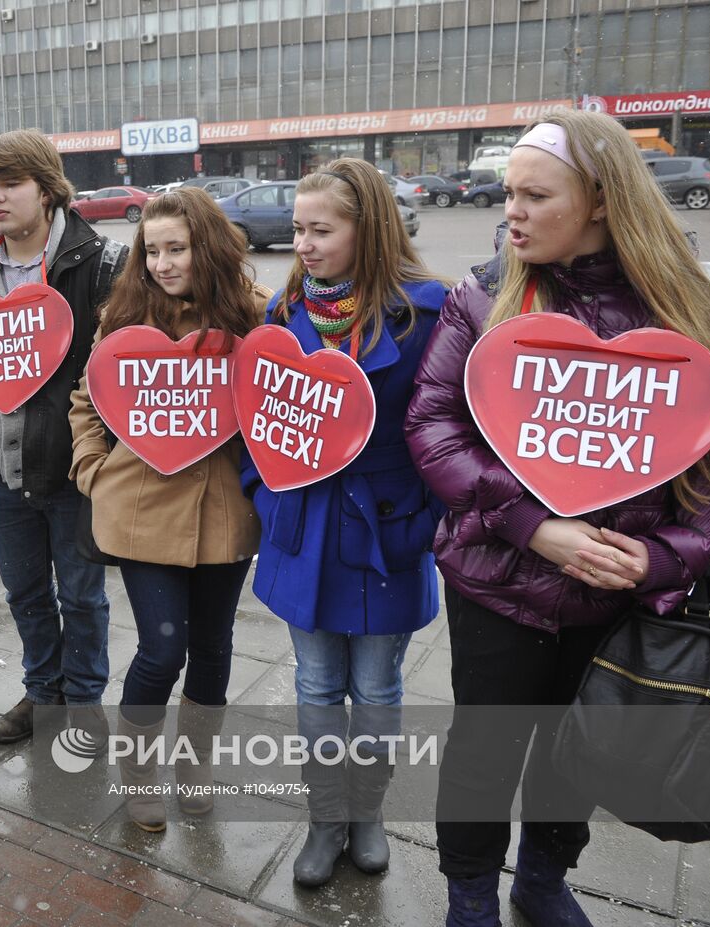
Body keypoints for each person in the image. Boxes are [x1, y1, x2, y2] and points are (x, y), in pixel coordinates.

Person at [405, 110, 710, 927]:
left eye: (534, 194)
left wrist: (662, 561)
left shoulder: (686, 315)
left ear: (598, 199)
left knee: (573, 753)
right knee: (483, 753)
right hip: (494, 587)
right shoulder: (482, 298)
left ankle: (544, 879)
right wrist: (531, 525)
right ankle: (471, 894)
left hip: (614, 602)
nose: (509, 209)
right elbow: (431, 427)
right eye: (507, 192)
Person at [241, 158, 449, 885]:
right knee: (318, 683)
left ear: (369, 230)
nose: (303, 243)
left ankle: (369, 816)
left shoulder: (426, 313)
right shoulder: (280, 315)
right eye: (298, 228)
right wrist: (265, 499)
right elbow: (255, 424)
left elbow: (450, 428)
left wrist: (425, 520)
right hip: (303, 527)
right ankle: (326, 820)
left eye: (321, 229)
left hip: (387, 529)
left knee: (380, 688)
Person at [69, 187, 267, 831]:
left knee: (212, 648)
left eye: (175, 248)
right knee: (161, 649)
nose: (161, 263)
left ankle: (196, 768)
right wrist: (92, 470)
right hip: (140, 509)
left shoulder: (254, 319)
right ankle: (140, 774)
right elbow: (86, 401)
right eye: (151, 251)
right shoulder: (123, 318)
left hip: (224, 513)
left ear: (205, 247)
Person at [0, 129, 127, 746]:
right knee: (25, 592)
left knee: (81, 596)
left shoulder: (100, 261)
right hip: (4, 463)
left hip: (72, 470)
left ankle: (85, 699)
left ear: (48, 190)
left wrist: (95, 454)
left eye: (10, 185)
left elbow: (115, 369)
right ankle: (41, 691)